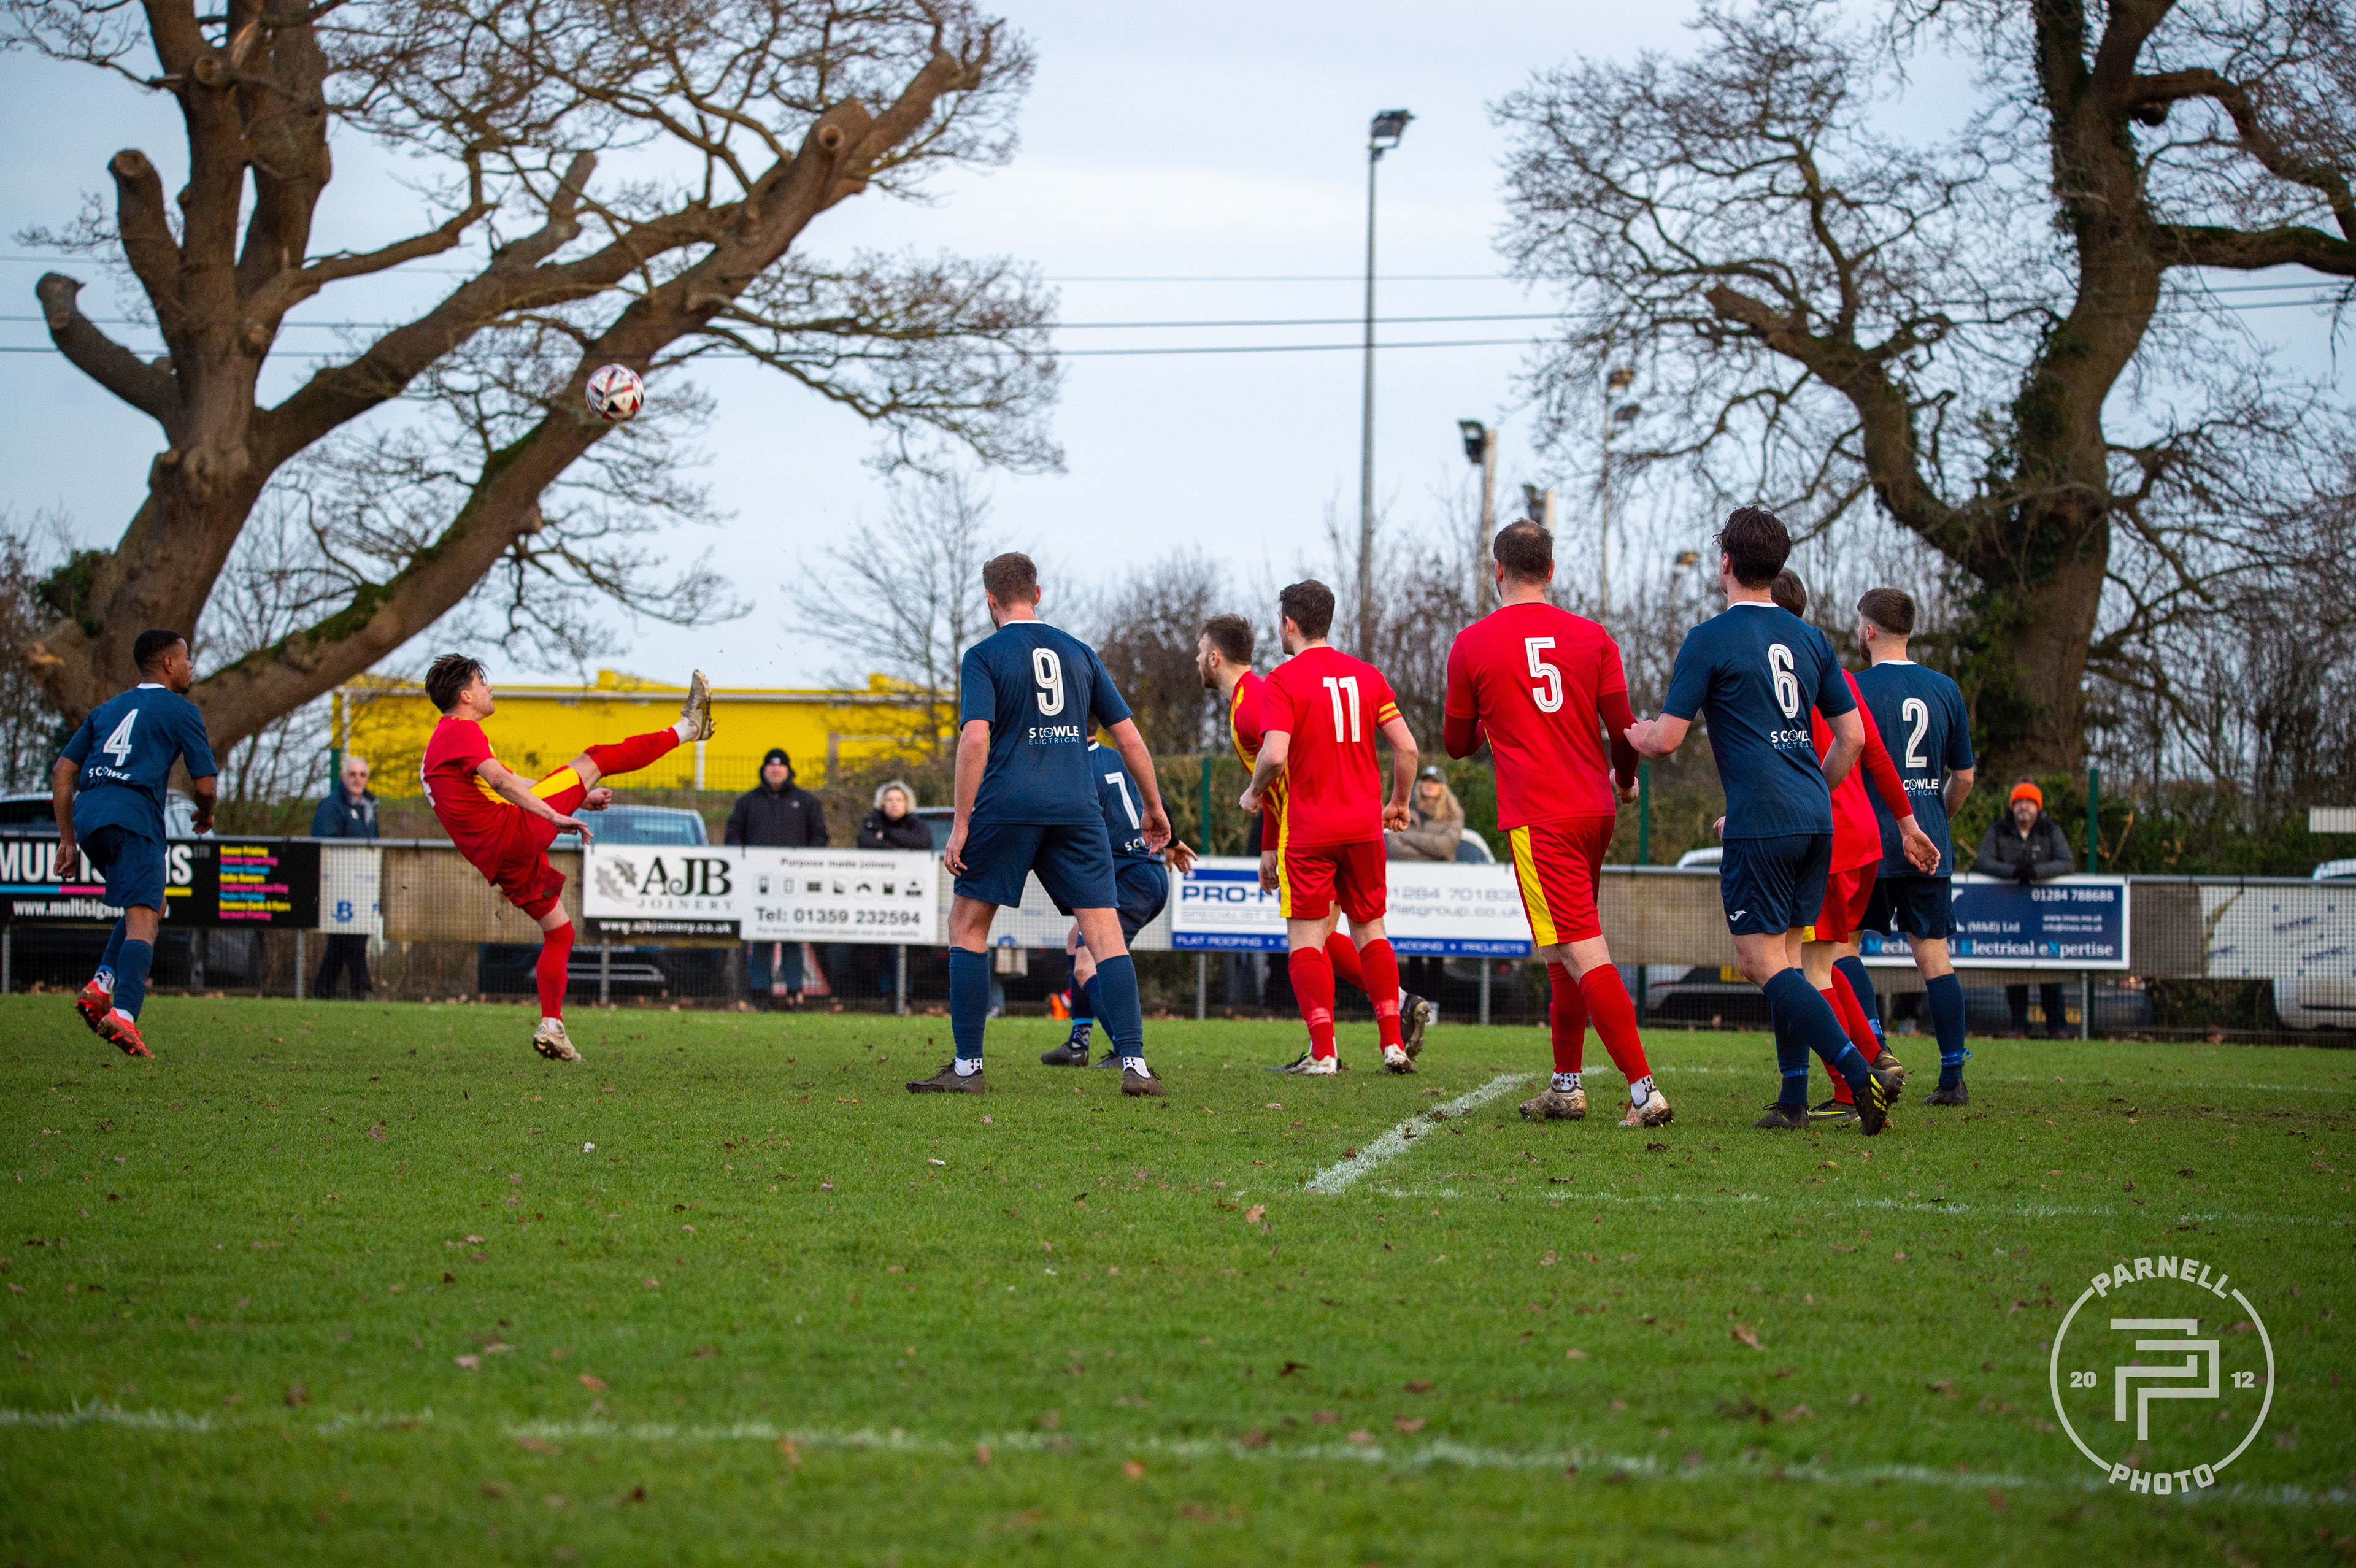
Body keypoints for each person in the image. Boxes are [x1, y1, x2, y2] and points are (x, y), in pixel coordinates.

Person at [1625, 507, 1901, 1134]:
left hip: (1765, 821)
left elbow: (1666, 740)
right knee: (1790, 959)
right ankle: (1792, 1099)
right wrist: (1811, 790)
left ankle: (1862, 1076)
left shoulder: (1709, 638)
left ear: (1725, 562)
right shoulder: (1811, 639)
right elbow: (1854, 738)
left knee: (1759, 961)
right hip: (1816, 820)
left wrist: (1635, 734)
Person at [909, 552, 1172, 1098]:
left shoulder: (984, 655)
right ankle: (1136, 1064)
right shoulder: (1079, 652)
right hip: (1077, 808)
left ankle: (967, 1069)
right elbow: (1128, 738)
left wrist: (961, 823)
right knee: (1105, 935)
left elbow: (975, 740)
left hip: (1007, 804)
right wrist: (1154, 806)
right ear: (1038, 593)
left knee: (967, 926)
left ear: (990, 599)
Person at [1444, 520, 1669, 1127]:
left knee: (1581, 947)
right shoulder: (1593, 637)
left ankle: (1645, 1092)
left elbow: (1457, 744)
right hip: (1594, 809)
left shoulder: (1472, 643)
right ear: (1550, 570)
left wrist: (1492, 712)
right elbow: (1623, 728)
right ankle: (1566, 1086)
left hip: (1540, 816)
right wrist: (1626, 781)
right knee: (1561, 949)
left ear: (1498, 571)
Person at [418, 655, 713, 1062]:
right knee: (598, 758)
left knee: (560, 932)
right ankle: (690, 728)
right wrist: (554, 815)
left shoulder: (444, 740)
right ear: (466, 696)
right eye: (482, 682)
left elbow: (509, 781)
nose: (490, 688)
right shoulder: (461, 730)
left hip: (498, 857)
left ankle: (552, 1026)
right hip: (512, 833)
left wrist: (578, 796)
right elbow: (502, 783)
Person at [1198, 613, 1431, 1051]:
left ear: (1214, 658)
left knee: (1310, 939)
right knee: (1335, 934)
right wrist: (1268, 846)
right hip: (1350, 823)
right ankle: (1391, 1014)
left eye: (1199, 652)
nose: (1197, 660)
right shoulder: (1254, 696)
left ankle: (1329, 1047)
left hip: (1313, 827)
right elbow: (1281, 781)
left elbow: (1280, 763)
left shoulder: (1255, 701)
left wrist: (1258, 803)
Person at [1765, 571, 1940, 1124]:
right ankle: (1874, 1057)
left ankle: (1852, 1088)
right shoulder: (1834, 672)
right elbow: (1876, 752)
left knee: (1797, 969)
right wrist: (1907, 825)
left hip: (1825, 838)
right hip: (1861, 838)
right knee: (1829, 959)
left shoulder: (1774, 677)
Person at [53, 629, 218, 1058]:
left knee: (149, 904)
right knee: (145, 917)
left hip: (90, 818)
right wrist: (205, 814)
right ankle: (124, 1014)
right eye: (186, 658)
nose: (191, 666)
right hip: (133, 817)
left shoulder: (106, 709)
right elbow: (205, 785)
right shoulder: (181, 710)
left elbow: (62, 771)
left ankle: (101, 984)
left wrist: (67, 839)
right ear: (168, 664)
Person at [1850, 587, 1978, 1104]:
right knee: (1935, 958)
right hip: (1928, 845)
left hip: (1872, 843)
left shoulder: (1853, 688)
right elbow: (1963, 778)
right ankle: (1953, 1078)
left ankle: (1879, 1054)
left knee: (1843, 948)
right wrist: (1933, 822)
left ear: (1869, 630)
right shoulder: (1945, 689)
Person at [1041, 735, 1198, 1067]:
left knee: (1087, 964)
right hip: (1147, 874)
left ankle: (1123, 1050)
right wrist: (1173, 841)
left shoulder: (1072, 764)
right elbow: (1157, 802)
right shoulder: (1122, 757)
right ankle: (1078, 1042)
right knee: (1075, 941)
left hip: (1128, 879)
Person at [726, 746, 830, 1009]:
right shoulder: (748, 802)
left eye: (780, 766)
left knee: (793, 938)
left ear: (788, 770)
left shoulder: (806, 802)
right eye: (771, 766)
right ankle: (761, 993)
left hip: (794, 885)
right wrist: (745, 862)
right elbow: (733, 835)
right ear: (764, 770)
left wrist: (806, 863)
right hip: (758, 884)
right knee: (761, 937)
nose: (775, 770)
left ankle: (795, 993)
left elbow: (820, 837)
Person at [1975, 778, 2077, 1038]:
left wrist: (2036, 872)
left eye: (2029, 802)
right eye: (2019, 802)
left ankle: (2057, 1028)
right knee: (2015, 972)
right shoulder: (1998, 830)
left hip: (2046, 914)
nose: (2024, 807)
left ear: (2038, 807)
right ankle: (2018, 1026)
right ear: (2012, 806)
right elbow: (1983, 862)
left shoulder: (2050, 831)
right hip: (2010, 913)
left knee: (2050, 972)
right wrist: (2013, 872)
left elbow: (2067, 862)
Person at [309, 753, 380, 999]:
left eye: (362, 774)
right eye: (352, 774)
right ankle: (360, 986)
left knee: (349, 940)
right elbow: (325, 840)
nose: (357, 779)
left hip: (363, 886)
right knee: (346, 938)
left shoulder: (369, 808)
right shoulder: (332, 806)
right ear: (343, 777)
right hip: (340, 884)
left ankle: (327, 990)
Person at [1387, 767, 1465, 861]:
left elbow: (1446, 847)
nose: (1430, 785)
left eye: (1435, 782)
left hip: (1441, 870)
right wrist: (1434, 856)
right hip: (1407, 869)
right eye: (1426, 781)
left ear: (1443, 787)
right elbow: (1394, 848)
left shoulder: (1454, 814)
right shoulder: (1405, 810)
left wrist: (1408, 837)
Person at [858, 780, 933, 851]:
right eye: (889, 800)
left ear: (907, 803)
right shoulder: (873, 822)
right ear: (882, 803)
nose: (894, 804)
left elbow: (923, 843)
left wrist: (886, 835)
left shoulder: (916, 823)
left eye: (899, 800)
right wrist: (898, 847)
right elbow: (865, 842)